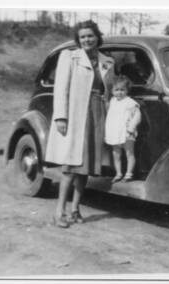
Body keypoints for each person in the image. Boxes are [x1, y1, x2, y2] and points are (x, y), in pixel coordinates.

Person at [45, 20, 115, 228]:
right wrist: (60, 117)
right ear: (78, 40)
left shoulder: (107, 61)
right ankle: (59, 212)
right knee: (70, 166)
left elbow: (109, 91)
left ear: (97, 37)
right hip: (76, 114)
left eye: (90, 36)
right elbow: (61, 89)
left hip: (97, 113)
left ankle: (75, 208)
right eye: (83, 37)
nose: (87, 40)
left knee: (85, 166)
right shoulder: (70, 57)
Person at [105, 75, 141, 183]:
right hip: (115, 132)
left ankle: (129, 173)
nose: (119, 92)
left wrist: (131, 128)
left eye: (122, 90)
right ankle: (118, 173)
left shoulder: (130, 102)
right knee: (116, 154)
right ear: (112, 91)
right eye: (116, 90)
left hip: (126, 133)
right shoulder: (112, 101)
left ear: (127, 90)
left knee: (129, 153)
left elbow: (138, 116)